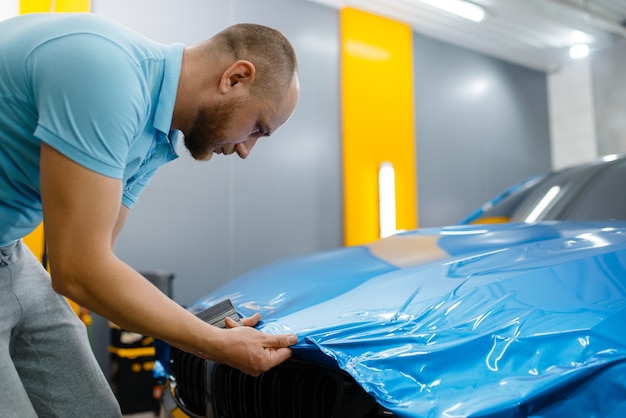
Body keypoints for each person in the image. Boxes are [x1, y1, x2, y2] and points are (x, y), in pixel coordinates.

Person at [0, 12, 300, 417]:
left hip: (9, 251)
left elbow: (98, 262)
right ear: (235, 78)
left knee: (92, 408)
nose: (247, 149)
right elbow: (78, 271)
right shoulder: (107, 73)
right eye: (258, 128)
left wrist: (205, 331)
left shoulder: (158, 139)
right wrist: (212, 344)